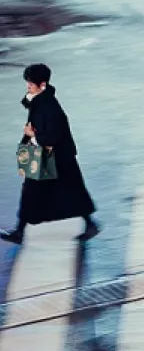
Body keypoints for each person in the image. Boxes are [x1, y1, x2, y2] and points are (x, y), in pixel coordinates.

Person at [1, 64, 99, 245]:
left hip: (56, 156)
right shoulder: (41, 101)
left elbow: (53, 135)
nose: (28, 87)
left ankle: (20, 231)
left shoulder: (48, 106)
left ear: (42, 84)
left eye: (30, 84)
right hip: (56, 156)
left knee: (38, 191)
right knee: (70, 192)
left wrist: (32, 136)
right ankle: (90, 224)